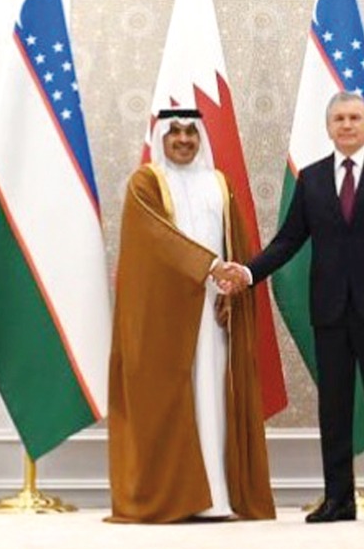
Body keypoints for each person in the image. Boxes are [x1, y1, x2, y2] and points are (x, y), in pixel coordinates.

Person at [219, 91, 364, 525]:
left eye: (354, 118)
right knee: (334, 407)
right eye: (338, 119)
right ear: (329, 127)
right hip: (330, 312)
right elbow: (289, 240)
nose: (347, 125)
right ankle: (339, 499)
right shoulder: (311, 179)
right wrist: (250, 273)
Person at [107, 108, 275, 524]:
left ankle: (216, 496)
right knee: (177, 398)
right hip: (167, 314)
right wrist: (210, 267)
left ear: (201, 137)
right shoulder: (145, 182)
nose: (183, 139)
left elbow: (235, 240)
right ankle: (179, 497)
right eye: (174, 131)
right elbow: (156, 239)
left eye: (190, 132)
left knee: (215, 394)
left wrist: (232, 286)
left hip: (214, 312)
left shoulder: (219, 183)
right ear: (161, 136)